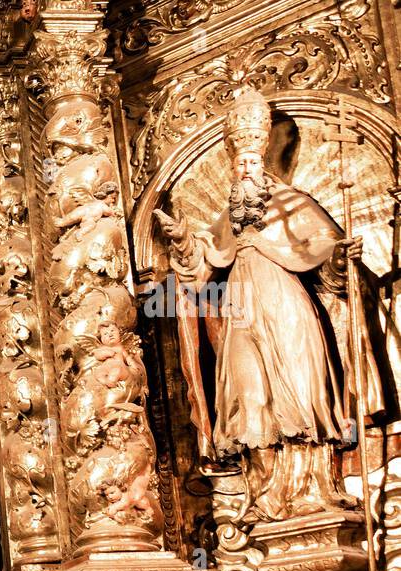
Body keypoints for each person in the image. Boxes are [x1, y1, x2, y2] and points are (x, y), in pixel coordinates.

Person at [154, 87, 384, 521]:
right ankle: (265, 492)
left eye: (252, 161)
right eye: (239, 163)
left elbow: (329, 266)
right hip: (242, 312)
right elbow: (198, 273)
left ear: (265, 162)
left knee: (297, 392)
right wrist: (183, 241)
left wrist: (338, 258)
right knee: (248, 394)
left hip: (287, 310)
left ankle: (313, 489)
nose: (245, 169)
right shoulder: (226, 223)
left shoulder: (295, 204)